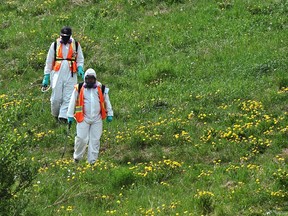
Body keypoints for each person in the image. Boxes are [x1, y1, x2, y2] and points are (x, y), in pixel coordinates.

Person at [67, 68, 113, 164]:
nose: (90, 81)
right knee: (81, 138)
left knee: (95, 140)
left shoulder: (101, 88)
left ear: (95, 79)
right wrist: (70, 115)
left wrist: (110, 113)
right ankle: (77, 158)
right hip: (83, 118)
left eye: (92, 79)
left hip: (97, 118)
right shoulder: (79, 88)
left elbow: (107, 101)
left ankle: (92, 161)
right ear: (85, 79)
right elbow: (72, 102)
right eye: (88, 79)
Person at [42, 26, 85, 123]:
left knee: (69, 95)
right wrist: (46, 75)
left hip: (71, 73)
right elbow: (49, 61)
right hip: (57, 72)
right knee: (56, 97)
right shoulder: (55, 45)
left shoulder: (76, 45)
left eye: (67, 36)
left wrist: (80, 68)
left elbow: (80, 59)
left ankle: (63, 116)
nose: (65, 38)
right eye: (63, 36)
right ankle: (55, 114)